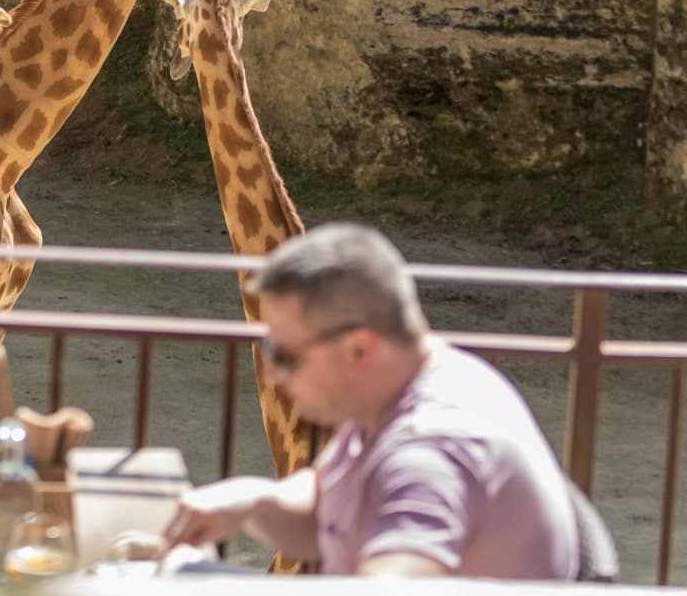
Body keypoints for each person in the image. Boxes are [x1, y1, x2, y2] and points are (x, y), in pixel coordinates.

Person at [161, 223, 580, 580]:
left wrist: (207, 582)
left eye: (284, 355)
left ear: (359, 350)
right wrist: (251, 499)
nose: (271, 374)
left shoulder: (431, 449)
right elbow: (327, 509)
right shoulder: (408, 389)